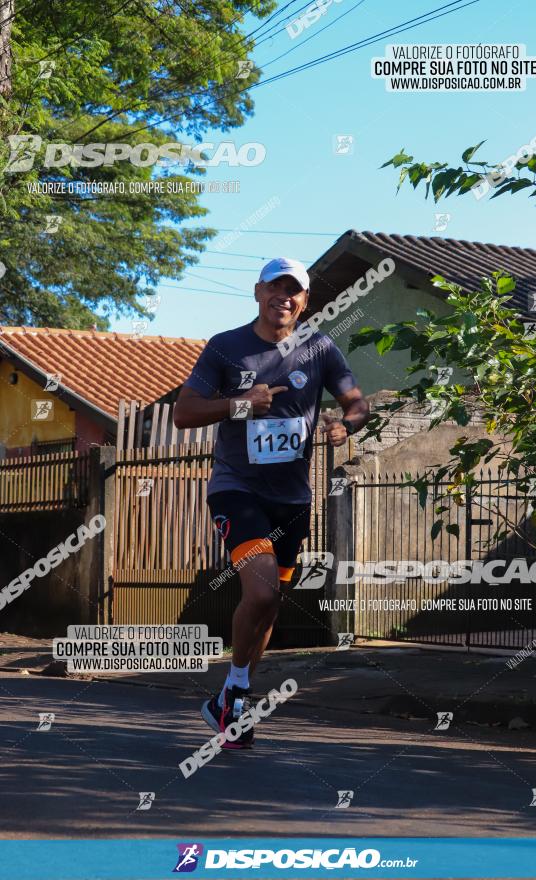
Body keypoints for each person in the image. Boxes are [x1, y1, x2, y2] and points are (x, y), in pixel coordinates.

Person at [174, 257, 369, 748]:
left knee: (269, 605)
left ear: (304, 301)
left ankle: (228, 699)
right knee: (260, 593)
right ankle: (236, 690)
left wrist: (344, 425)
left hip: (292, 499)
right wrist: (242, 404)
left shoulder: (320, 347)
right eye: (275, 288)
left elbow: (358, 403)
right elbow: (183, 413)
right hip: (235, 489)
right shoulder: (225, 347)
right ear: (257, 292)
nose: (284, 297)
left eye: (294, 291)